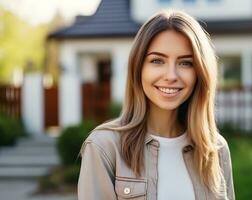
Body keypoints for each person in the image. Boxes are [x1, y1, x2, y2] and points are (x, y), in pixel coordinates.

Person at [78, 9, 235, 200]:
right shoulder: (104, 147)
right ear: (138, 68)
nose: (171, 76)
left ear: (200, 73)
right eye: (157, 61)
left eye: (185, 63)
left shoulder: (215, 149)